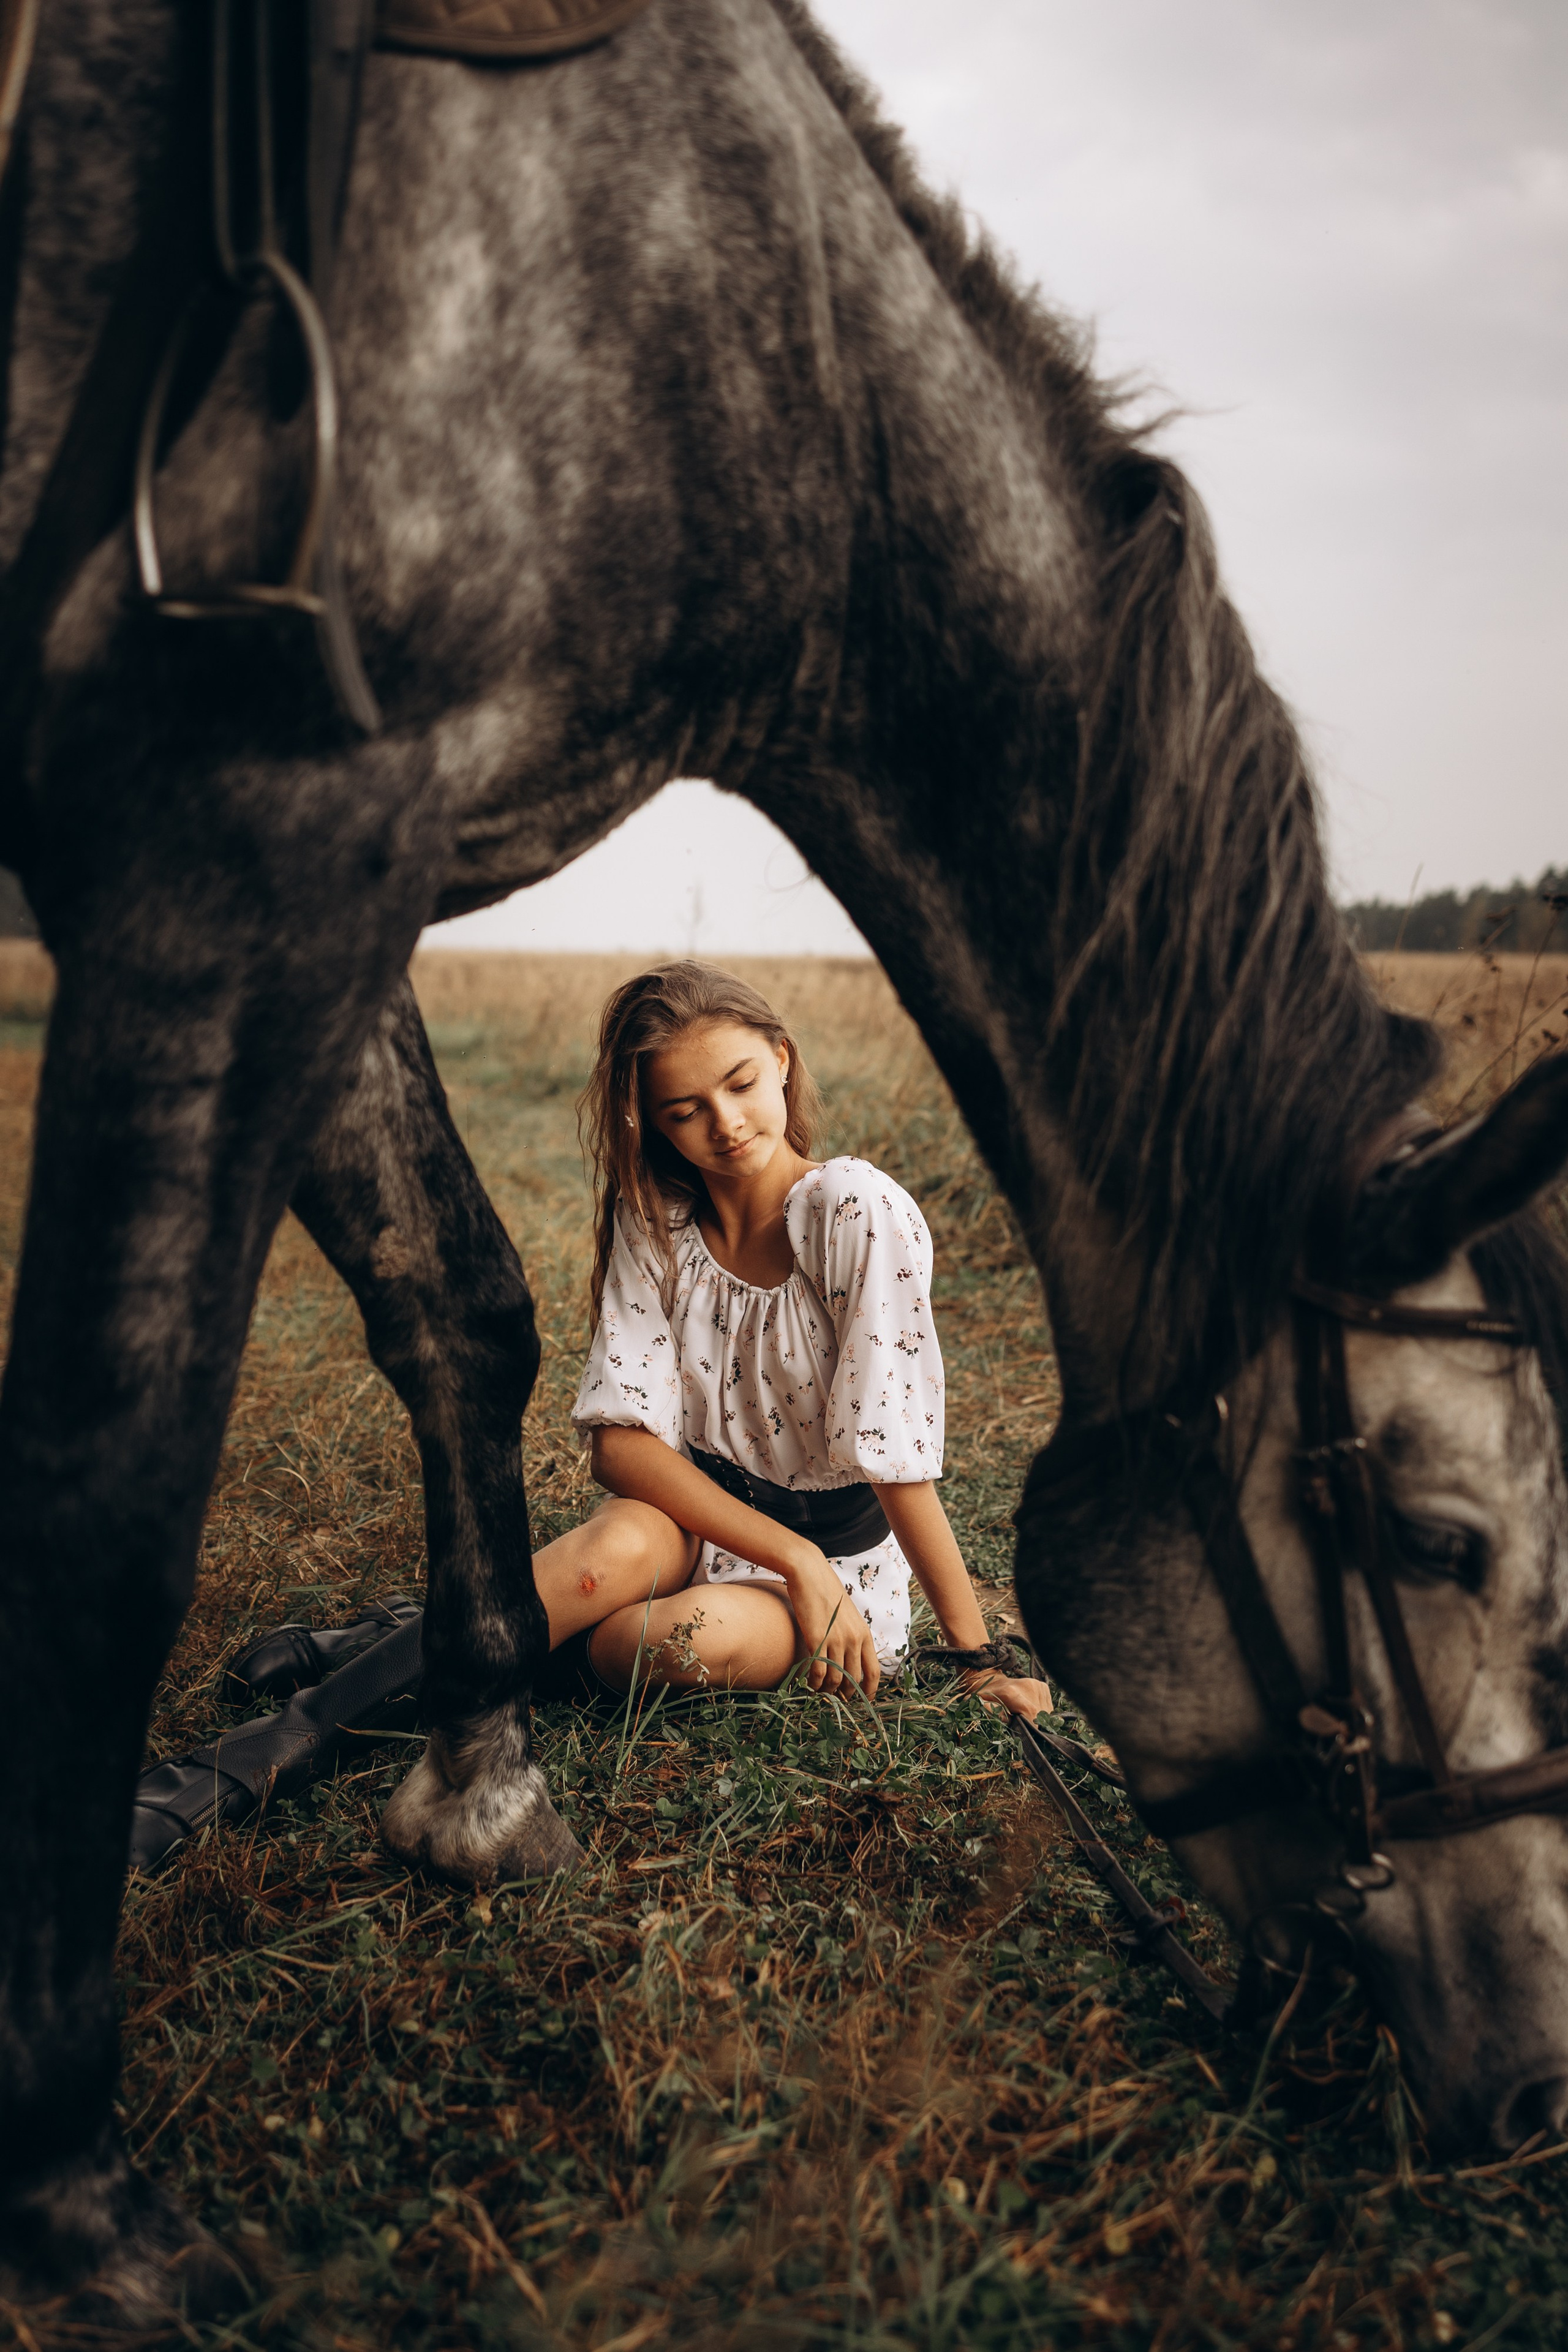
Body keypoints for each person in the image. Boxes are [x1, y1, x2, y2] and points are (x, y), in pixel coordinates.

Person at [530, 960, 1051, 1719]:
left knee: (662, 1641)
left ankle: (485, 1655)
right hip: (697, 1518)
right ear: (653, 1121)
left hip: (836, 1568)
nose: (726, 1123)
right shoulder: (654, 1222)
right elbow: (621, 1446)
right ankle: (326, 1708)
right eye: (685, 1110)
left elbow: (893, 1452)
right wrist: (790, 1555)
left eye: (740, 1085)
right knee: (593, 1568)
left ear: (780, 1059)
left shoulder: (853, 1212)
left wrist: (977, 1660)